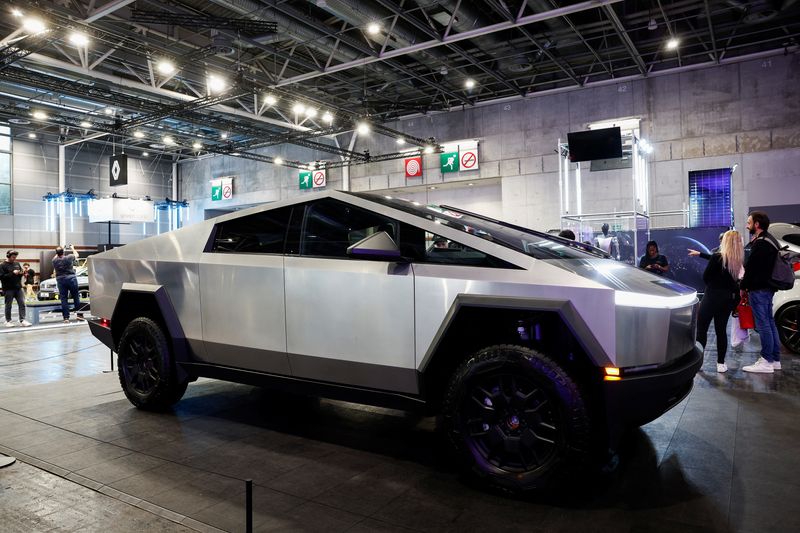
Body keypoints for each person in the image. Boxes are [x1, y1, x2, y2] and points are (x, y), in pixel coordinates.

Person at [688, 231, 744, 373]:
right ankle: (721, 363)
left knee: (702, 330)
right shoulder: (737, 261)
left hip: (711, 297)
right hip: (727, 300)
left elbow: (706, 277)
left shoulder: (717, 258)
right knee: (721, 331)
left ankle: (699, 363)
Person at [741, 211, 782, 373]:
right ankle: (775, 359)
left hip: (759, 289)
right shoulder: (770, 240)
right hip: (768, 288)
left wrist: (743, 287)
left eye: (749, 222)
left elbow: (751, 269)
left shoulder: (761, 242)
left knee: (763, 324)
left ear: (757, 224)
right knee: (769, 322)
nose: (747, 225)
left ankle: (766, 361)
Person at [1, 250, 32, 327]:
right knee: (8, 305)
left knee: (22, 303)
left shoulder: (17, 263)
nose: (14, 258)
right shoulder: (2, 265)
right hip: (8, 288)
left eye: (15, 257)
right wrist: (12, 273)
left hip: (18, 287)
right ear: (8, 256)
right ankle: (8, 321)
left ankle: (22, 320)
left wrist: (21, 273)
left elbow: (20, 272)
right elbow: (1, 277)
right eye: (13, 257)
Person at [52, 245, 82, 323]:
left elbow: (56, 256)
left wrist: (61, 249)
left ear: (56, 253)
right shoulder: (69, 257)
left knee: (64, 299)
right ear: (63, 252)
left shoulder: (54, 261)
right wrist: (72, 248)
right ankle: (79, 315)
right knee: (76, 297)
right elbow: (77, 255)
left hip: (61, 280)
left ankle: (66, 318)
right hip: (71, 279)